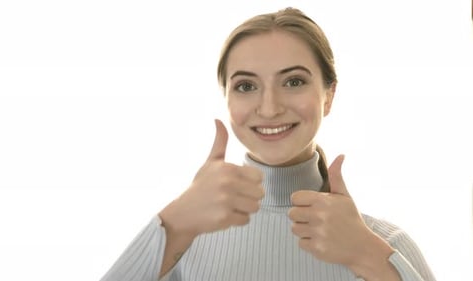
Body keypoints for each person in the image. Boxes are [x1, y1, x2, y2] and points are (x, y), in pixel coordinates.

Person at [100, 7, 435, 281]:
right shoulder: (183, 239)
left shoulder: (384, 244)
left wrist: (368, 257)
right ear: (227, 99)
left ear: (329, 95)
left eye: (293, 81)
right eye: (246, 86)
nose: (270, 107)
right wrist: (174, 224)